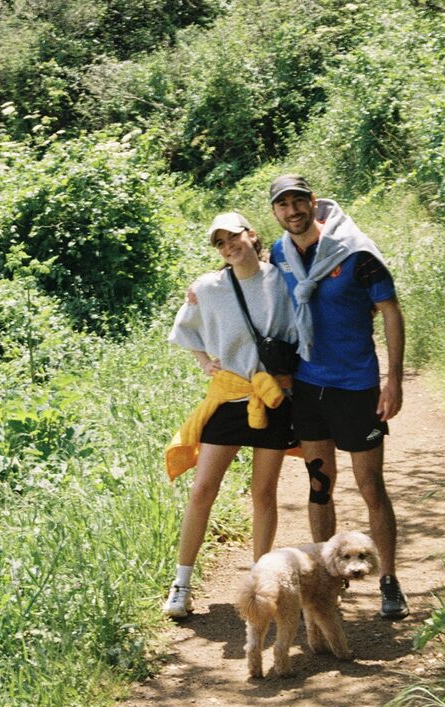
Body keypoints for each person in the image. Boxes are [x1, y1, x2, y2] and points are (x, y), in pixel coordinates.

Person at [268, 173, 409, 619]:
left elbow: (390, 311)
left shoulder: (356, 252)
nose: (292, 211)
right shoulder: (280, 253)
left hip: (356, 386)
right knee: (319, 485)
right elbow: (255, 284)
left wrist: (393, 379)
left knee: (370, 487)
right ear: (275, 212)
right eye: (283, 204)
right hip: (309, 386)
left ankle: (389, 580)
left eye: (298, 201)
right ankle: (326, 584)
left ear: (313, 202)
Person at [163, 211, 300, 619]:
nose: (228, 246)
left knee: (264, 493)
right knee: (202, 489)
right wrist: (204, 361)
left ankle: (260, 583)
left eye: (233, 237)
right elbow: (185, 327)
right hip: (229, 398)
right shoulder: (208, 287)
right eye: (220, 243)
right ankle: (181, 584)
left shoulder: (282, 280)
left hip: (272, 398)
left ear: (251, 235)